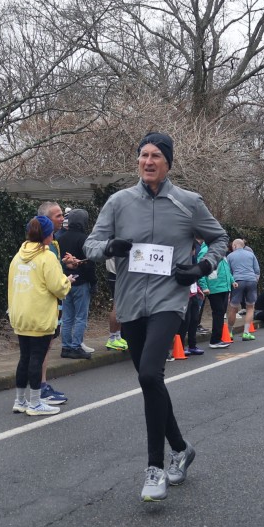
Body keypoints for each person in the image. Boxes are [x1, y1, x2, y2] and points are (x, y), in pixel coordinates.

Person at [84, 131, 229, 502]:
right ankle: (180, 448)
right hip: (130, 302)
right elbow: (90, 245)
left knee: (150, 374)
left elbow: (220, 239)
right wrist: (110, 247)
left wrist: (201, 268)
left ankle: (154, 468)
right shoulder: (119, 202)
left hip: (169, 300)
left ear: (168, 163)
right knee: (150, 383)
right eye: (143, 155)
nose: (148, 162)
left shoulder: (188, 202)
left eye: (155, 156)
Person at [8, 215, 72, 416]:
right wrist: (67, 281)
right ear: (47, 235)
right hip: (40, 314)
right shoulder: (47, 256)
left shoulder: (18, 256)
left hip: (20, 314)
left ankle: (20, 400)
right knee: (37, 357)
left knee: (24, 357)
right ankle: (35, 403)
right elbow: (58, 287)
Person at [36, 202, 72, 405]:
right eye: (58, 216)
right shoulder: (44, 247)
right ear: (46, 221)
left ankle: (38, 387)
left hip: (44, 304)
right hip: (45, 305)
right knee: (43, 347)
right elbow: (52, 282)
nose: (62, 219)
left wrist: (63, 264)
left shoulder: (48, 245)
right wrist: (66, 281)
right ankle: (39, 389)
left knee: (44, 347)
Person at [57, 209, 95, 359]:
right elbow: (90, 263)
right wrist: (94, 282)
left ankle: (65, 347)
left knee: (67, 317)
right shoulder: (84, 239)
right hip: (81, 282)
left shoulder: (60, 239)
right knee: (80, 317)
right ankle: (76, 346)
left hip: (66, 282)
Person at [226, 239, 261, 341]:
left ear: (235, 245)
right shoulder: (251, 255)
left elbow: (228, 272)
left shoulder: (230, 256)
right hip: (251, 280)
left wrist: (231, 284)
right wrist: (255, 280)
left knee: (233, 307)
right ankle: (246, 333)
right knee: (250, 307)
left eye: (232, 246)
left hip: (237, 281)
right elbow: (257, 270)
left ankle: (229, 333)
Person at [203, 254, 234, 349]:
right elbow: (201, 272)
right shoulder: (206, 252)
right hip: (214, 288)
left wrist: (232, 281)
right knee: (218, 312)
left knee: (221, 313)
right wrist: (204, 286)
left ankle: (217, 339)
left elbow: (227, 270)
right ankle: (215, 340)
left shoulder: (222, 254)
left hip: (224, 287)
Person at [104, 257, 129, 351]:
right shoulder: (115, 248)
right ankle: (111, 339)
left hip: (119, 275)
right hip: (116, 275)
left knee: (121, 307)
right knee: (117, 307)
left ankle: (117, 336)